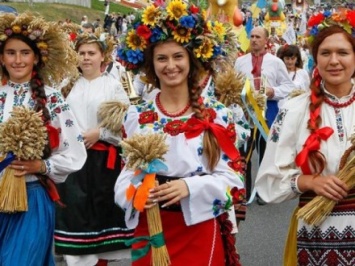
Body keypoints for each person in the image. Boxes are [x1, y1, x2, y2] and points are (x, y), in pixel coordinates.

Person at [115, 0, 245, 265]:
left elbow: (234, 181)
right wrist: (137, 191)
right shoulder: (136, 116)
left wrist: (189, 186)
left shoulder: (216, 114)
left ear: (191, 60)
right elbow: (125, 174)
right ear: (151, 65)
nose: (170, 65)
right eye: (162, 58)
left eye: (178, 56)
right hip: (150, 226)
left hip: (197, 228)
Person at [255, 9, 355, 265]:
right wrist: (309, 182)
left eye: (342, 52)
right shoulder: (294, 109)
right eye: (325, 53)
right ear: (314, 59)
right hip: (316, 235)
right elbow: (267, 183)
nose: (334, 61)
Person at [0, 12, 86, 265]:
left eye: (25, 53)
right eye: (10, 53)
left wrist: (42, 165)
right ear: (2, 58)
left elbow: (75, 151)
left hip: (32, 199)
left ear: (36, 57)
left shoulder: (52, 99)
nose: (17, 60)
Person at [54, 33, 132, 266]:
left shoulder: (113, 86)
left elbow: (126, 125)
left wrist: (101, 133)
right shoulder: (66, 86)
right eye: (82, 53)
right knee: (75, 212)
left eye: (91, 53)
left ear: (102, 57)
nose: (86, 58)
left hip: (101, 160)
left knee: (100, 212)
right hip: (72, 161)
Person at [234, 26, 294, 203]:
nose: (254, 40)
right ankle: (243, 191)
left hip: (268, 112)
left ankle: (261, 192)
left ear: (266, 40)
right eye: (252, 36)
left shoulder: (275, 62)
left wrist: (272, 91)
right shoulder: (240, 61)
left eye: (258, 37)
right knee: (243, 152)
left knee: (264, 152)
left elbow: (289, 86)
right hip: (244, 114)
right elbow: (234, 85)